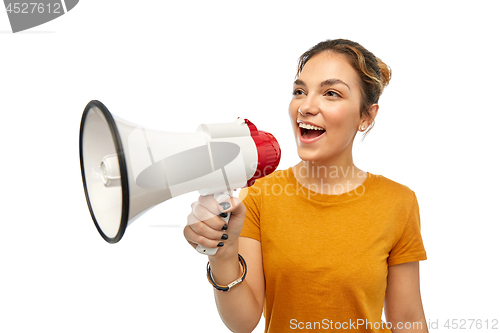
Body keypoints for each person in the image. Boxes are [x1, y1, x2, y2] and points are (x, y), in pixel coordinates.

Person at [184, 39, 428, 333]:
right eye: (300, 91)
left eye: (331, 93)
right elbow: (243, 321)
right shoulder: (260, 195)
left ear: (366, 116)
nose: (306, 106)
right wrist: (223, 255)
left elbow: (408, 318)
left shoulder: (398, 202)